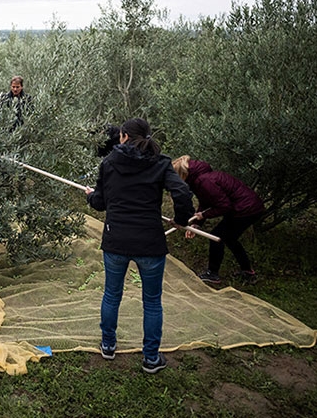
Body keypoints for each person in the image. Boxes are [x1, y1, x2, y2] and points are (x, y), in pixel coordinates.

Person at [85, 118, 193, 374]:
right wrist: (180, 220)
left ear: (123, 136)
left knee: (112, 295)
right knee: (152, 302)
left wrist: (90, 196)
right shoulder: (161, 162)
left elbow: (100, 203)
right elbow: (182, 193)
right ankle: (151, 359)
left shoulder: (109, 162)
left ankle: (108, 346)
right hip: (150, 241)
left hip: (116, 240)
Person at [172, 155, 265, 284]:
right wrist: (197, 224)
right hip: (246, 207)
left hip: (246, 209)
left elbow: (224, 206)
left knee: (216, 236)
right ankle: (248, 271)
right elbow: (206, 202)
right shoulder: (199, 179)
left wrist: (203, 216)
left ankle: (213, 274)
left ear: (182, 174)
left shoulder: (205, 181)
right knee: (230, 239)